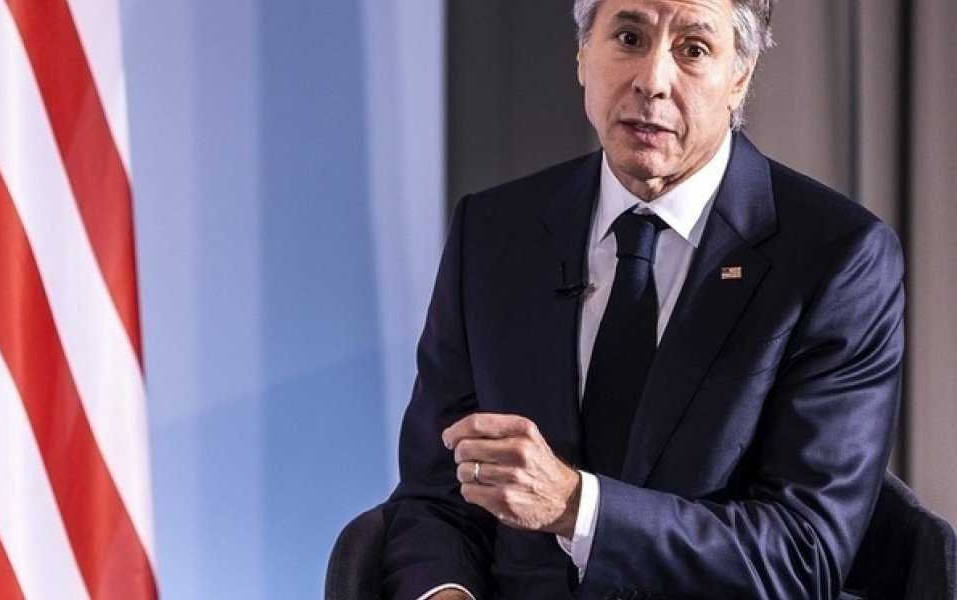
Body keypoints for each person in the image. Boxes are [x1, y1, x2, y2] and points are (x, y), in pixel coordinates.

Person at [381, 0, 904, 598]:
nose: (652, 81)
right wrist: (447, 592)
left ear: (740, 76)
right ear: (583, 54)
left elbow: (801, 555)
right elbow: (434, 495)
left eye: (693, 49)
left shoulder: (837, 258)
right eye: (629, 38)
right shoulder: (493, 232)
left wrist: (577, 507)